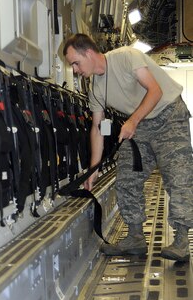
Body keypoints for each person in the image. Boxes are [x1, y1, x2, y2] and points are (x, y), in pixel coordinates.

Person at [63, 33, 193, 262]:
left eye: (76, 63)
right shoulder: (96, 88)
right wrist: (94, 170)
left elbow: (155, 90)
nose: (74, 69)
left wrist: (132, 121)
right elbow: (97, 127)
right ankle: (135, 237)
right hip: (141, 126)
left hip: (168, 116)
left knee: (178, 176)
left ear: (89, 53)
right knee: (126, 177)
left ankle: (182, 240)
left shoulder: (126, 57)